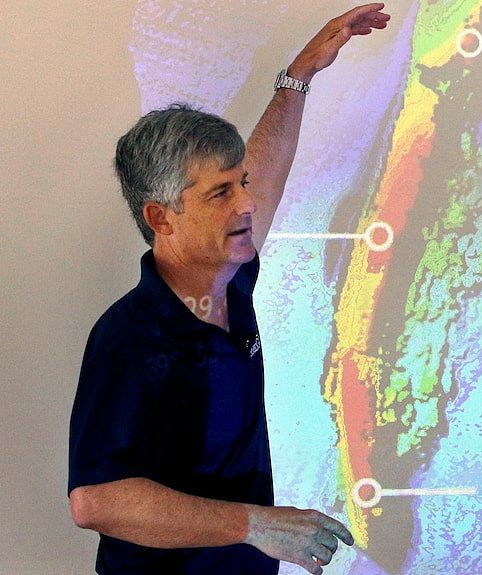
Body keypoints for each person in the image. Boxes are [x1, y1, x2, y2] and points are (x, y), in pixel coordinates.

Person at [67, 5, 390, 574]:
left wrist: (298, 77)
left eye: (239, 183)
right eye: (221, 193)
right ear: (162, 218)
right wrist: (256, 525)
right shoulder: (131, 337)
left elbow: (264, 169)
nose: (247, 202)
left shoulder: (229, 279)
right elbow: (96, 500)